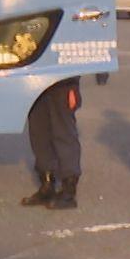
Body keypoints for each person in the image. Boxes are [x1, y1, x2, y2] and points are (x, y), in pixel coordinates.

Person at [22, 78, 82, 210]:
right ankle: (47, 185)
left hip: (63, 81)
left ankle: (69, 191)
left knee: (64, 133)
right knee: (39, 132)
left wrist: (73, 83)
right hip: (36, 82)